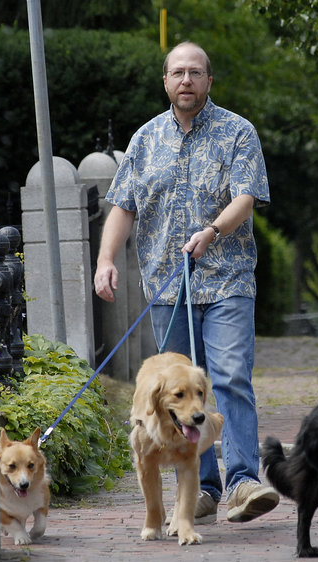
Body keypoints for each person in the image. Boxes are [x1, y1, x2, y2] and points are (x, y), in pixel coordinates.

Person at [94, 41, 278, 526]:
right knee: (177, 394)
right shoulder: (144, 139)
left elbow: (246, 199)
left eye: (196, 73)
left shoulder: (238, 132)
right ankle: (201, 490)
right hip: (167, 290)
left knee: (230, 376)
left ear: (209, 81)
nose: (186, 81)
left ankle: (242, 482)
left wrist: (213, 230)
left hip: (227, 280)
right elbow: (123, 206)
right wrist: (105, 260)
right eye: (178, 73)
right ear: (166, 82)